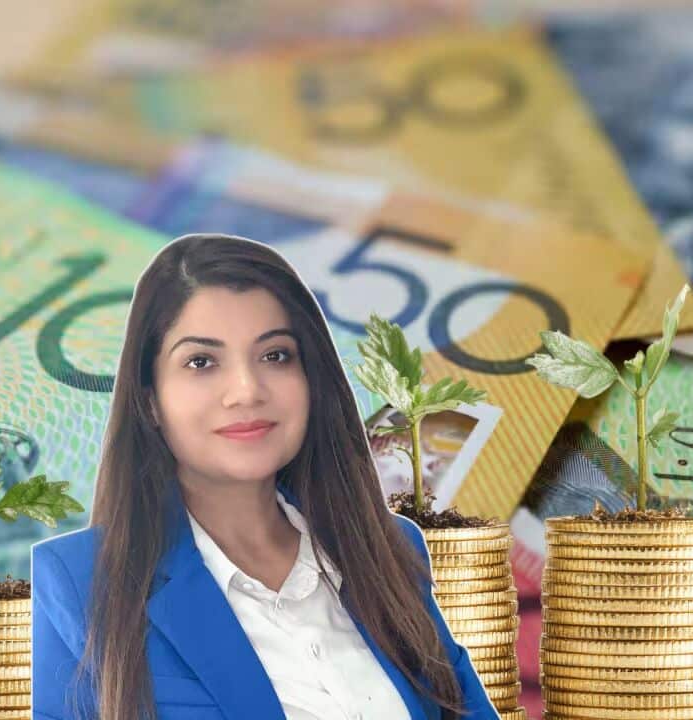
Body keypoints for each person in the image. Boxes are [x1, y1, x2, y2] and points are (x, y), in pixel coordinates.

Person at [31, 233, 501, 720]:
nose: (247, 390)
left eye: (275, 355)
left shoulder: (388, 547)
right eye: (201, 362)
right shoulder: (77, 581)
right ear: (150, 399)